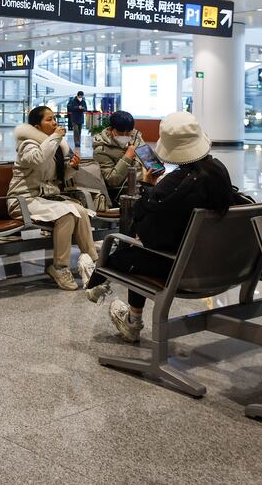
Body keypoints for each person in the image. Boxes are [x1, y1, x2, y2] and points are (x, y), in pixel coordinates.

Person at [83, 112, 233, 340]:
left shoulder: (175, 185)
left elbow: (146, 231)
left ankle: (117, 304)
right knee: (136, 248)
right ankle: (101, 285)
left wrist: (146, 184)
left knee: (130, 250)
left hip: (179, 269)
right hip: (214, 265)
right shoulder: (218, 172)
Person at [8, 106, 98, 291]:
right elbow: (38, 159)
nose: (55, 122)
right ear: (36, 126)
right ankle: (60, 267)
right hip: (23, 201)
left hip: (44, 199)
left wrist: (72, 168)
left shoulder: (53, 146)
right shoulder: (27, 145)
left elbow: (54, 178)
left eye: (54, 118)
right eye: (49, 120)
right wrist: (56, 137)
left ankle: (93, 262)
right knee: (67, 214)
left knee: (79, 210)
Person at [91, 110, 146, 201]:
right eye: (120, 133)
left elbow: (148, 161)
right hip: (125, 194)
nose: (125, 136)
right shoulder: (101, 150)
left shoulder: (136, 138)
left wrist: (154, 167)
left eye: (128, 133)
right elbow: (112, 181)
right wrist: (127, 157)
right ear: (111, 130)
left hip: (145, 186)